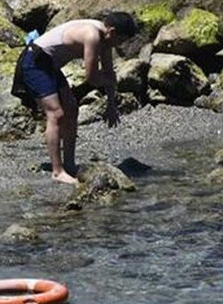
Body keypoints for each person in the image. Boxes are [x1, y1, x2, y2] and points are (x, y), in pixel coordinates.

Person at [21, 12, 138, 185]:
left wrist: (112, 104)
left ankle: (69, 164)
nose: (120, 45)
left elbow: (108, 72)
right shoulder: (92, 35)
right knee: (56, 114)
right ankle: (57, 171)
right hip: (35, 61)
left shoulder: (106, 40)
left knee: (71, 108)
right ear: (112, 32)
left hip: (50, 65)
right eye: (120, 40)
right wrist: (109, 81)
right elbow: (91, 77)